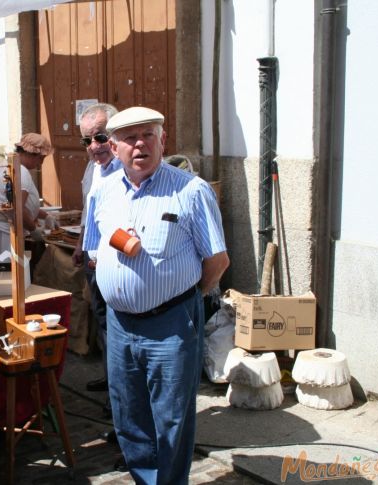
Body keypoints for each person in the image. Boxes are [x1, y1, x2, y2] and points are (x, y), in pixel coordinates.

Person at [82, 106, 230, 484]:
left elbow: (217, 260)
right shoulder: (102, 193)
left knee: (172, 419)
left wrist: (181, 297)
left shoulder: (190, 191)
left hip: (172, 324)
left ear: (163, 140)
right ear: (113, 148)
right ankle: (145, 479)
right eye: (129, 138)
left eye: (148, 134)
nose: (139, 144)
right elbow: (94, 251)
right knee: (129, 416)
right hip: (119, 325)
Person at [71, 103, 121, 406]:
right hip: (93, 260)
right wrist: (80, 245)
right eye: (87, 140)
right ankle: (112, 378)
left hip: (116, 264)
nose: (94, 146)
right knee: (103, 323)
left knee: (118, 328)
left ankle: (123, 397)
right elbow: (89, 212)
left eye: (100, 137)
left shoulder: (126, 168)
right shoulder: (93, 167)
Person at [0, 133, 55, 255]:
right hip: (1, 232)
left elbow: (8, 203)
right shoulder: (20, 172)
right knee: (4, 269)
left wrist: (45, 216)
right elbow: (17, 208)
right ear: (32, 154)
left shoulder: (4, 165)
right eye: (41, 158)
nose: (40, 163)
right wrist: (34, 229)